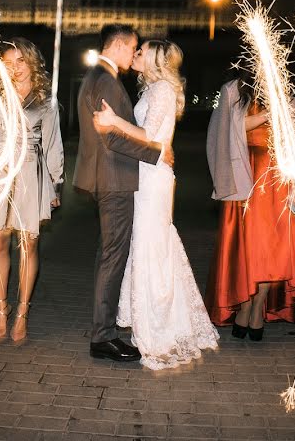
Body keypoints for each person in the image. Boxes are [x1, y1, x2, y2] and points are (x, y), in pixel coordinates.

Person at [93, 40, 219, 369]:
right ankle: (151, 320)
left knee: (153, 246)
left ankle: (158, 328)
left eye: (141, 50)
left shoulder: (162, 88)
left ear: (154, 58)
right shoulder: (153, 89)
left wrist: (112, 121)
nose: (135, 54)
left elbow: (150, 135)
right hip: (147, 174)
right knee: (148, 245)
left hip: (155, 176)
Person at [72, 24, 173, 362]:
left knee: (109, 255)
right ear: (118, 46)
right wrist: (157, 153)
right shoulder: (106, 81)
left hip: (107, 178)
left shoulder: (96, 76)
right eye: (133, 49)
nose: (134, 55)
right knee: (113, 258)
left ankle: (105, 330)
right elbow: (110, 137)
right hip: (114, 180)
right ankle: (103, 337)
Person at [204, 66, 295, 341]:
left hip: (279, 180)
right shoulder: (233, 90)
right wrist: (267, 114)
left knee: (274, 251)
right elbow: (227, 130)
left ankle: (259, 305)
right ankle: (246, 305)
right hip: (246, 178)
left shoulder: (287, 94)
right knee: (250, 248)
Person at [0, 38, 64, 342]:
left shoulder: (46, 101)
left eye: (21, 61)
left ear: (32, 63)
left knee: (28, 246)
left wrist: (54, 183)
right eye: (8, 62)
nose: (15, 68)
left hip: (30, 173)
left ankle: (22, 312)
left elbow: (53, 144)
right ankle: (1, 309)